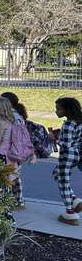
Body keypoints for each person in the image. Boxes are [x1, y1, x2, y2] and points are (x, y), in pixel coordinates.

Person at [0, 97, 26, 210]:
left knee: (0, 182)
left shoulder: (2, 123)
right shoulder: (12, 120)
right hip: (11, 156)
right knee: (11, 179)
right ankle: (16, 202)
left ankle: (1, 206)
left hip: (2, 156)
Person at [51, 97, 82, 226]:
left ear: (67, 110)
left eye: (58, 109)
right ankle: (75, 200)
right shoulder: (79, 122)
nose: (56, 111)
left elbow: (66, 144)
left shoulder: (69, 124)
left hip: (67, 155)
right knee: (57, 175)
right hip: (76, 155)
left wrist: (55, 138)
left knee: (63, 183)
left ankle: (70, 214)